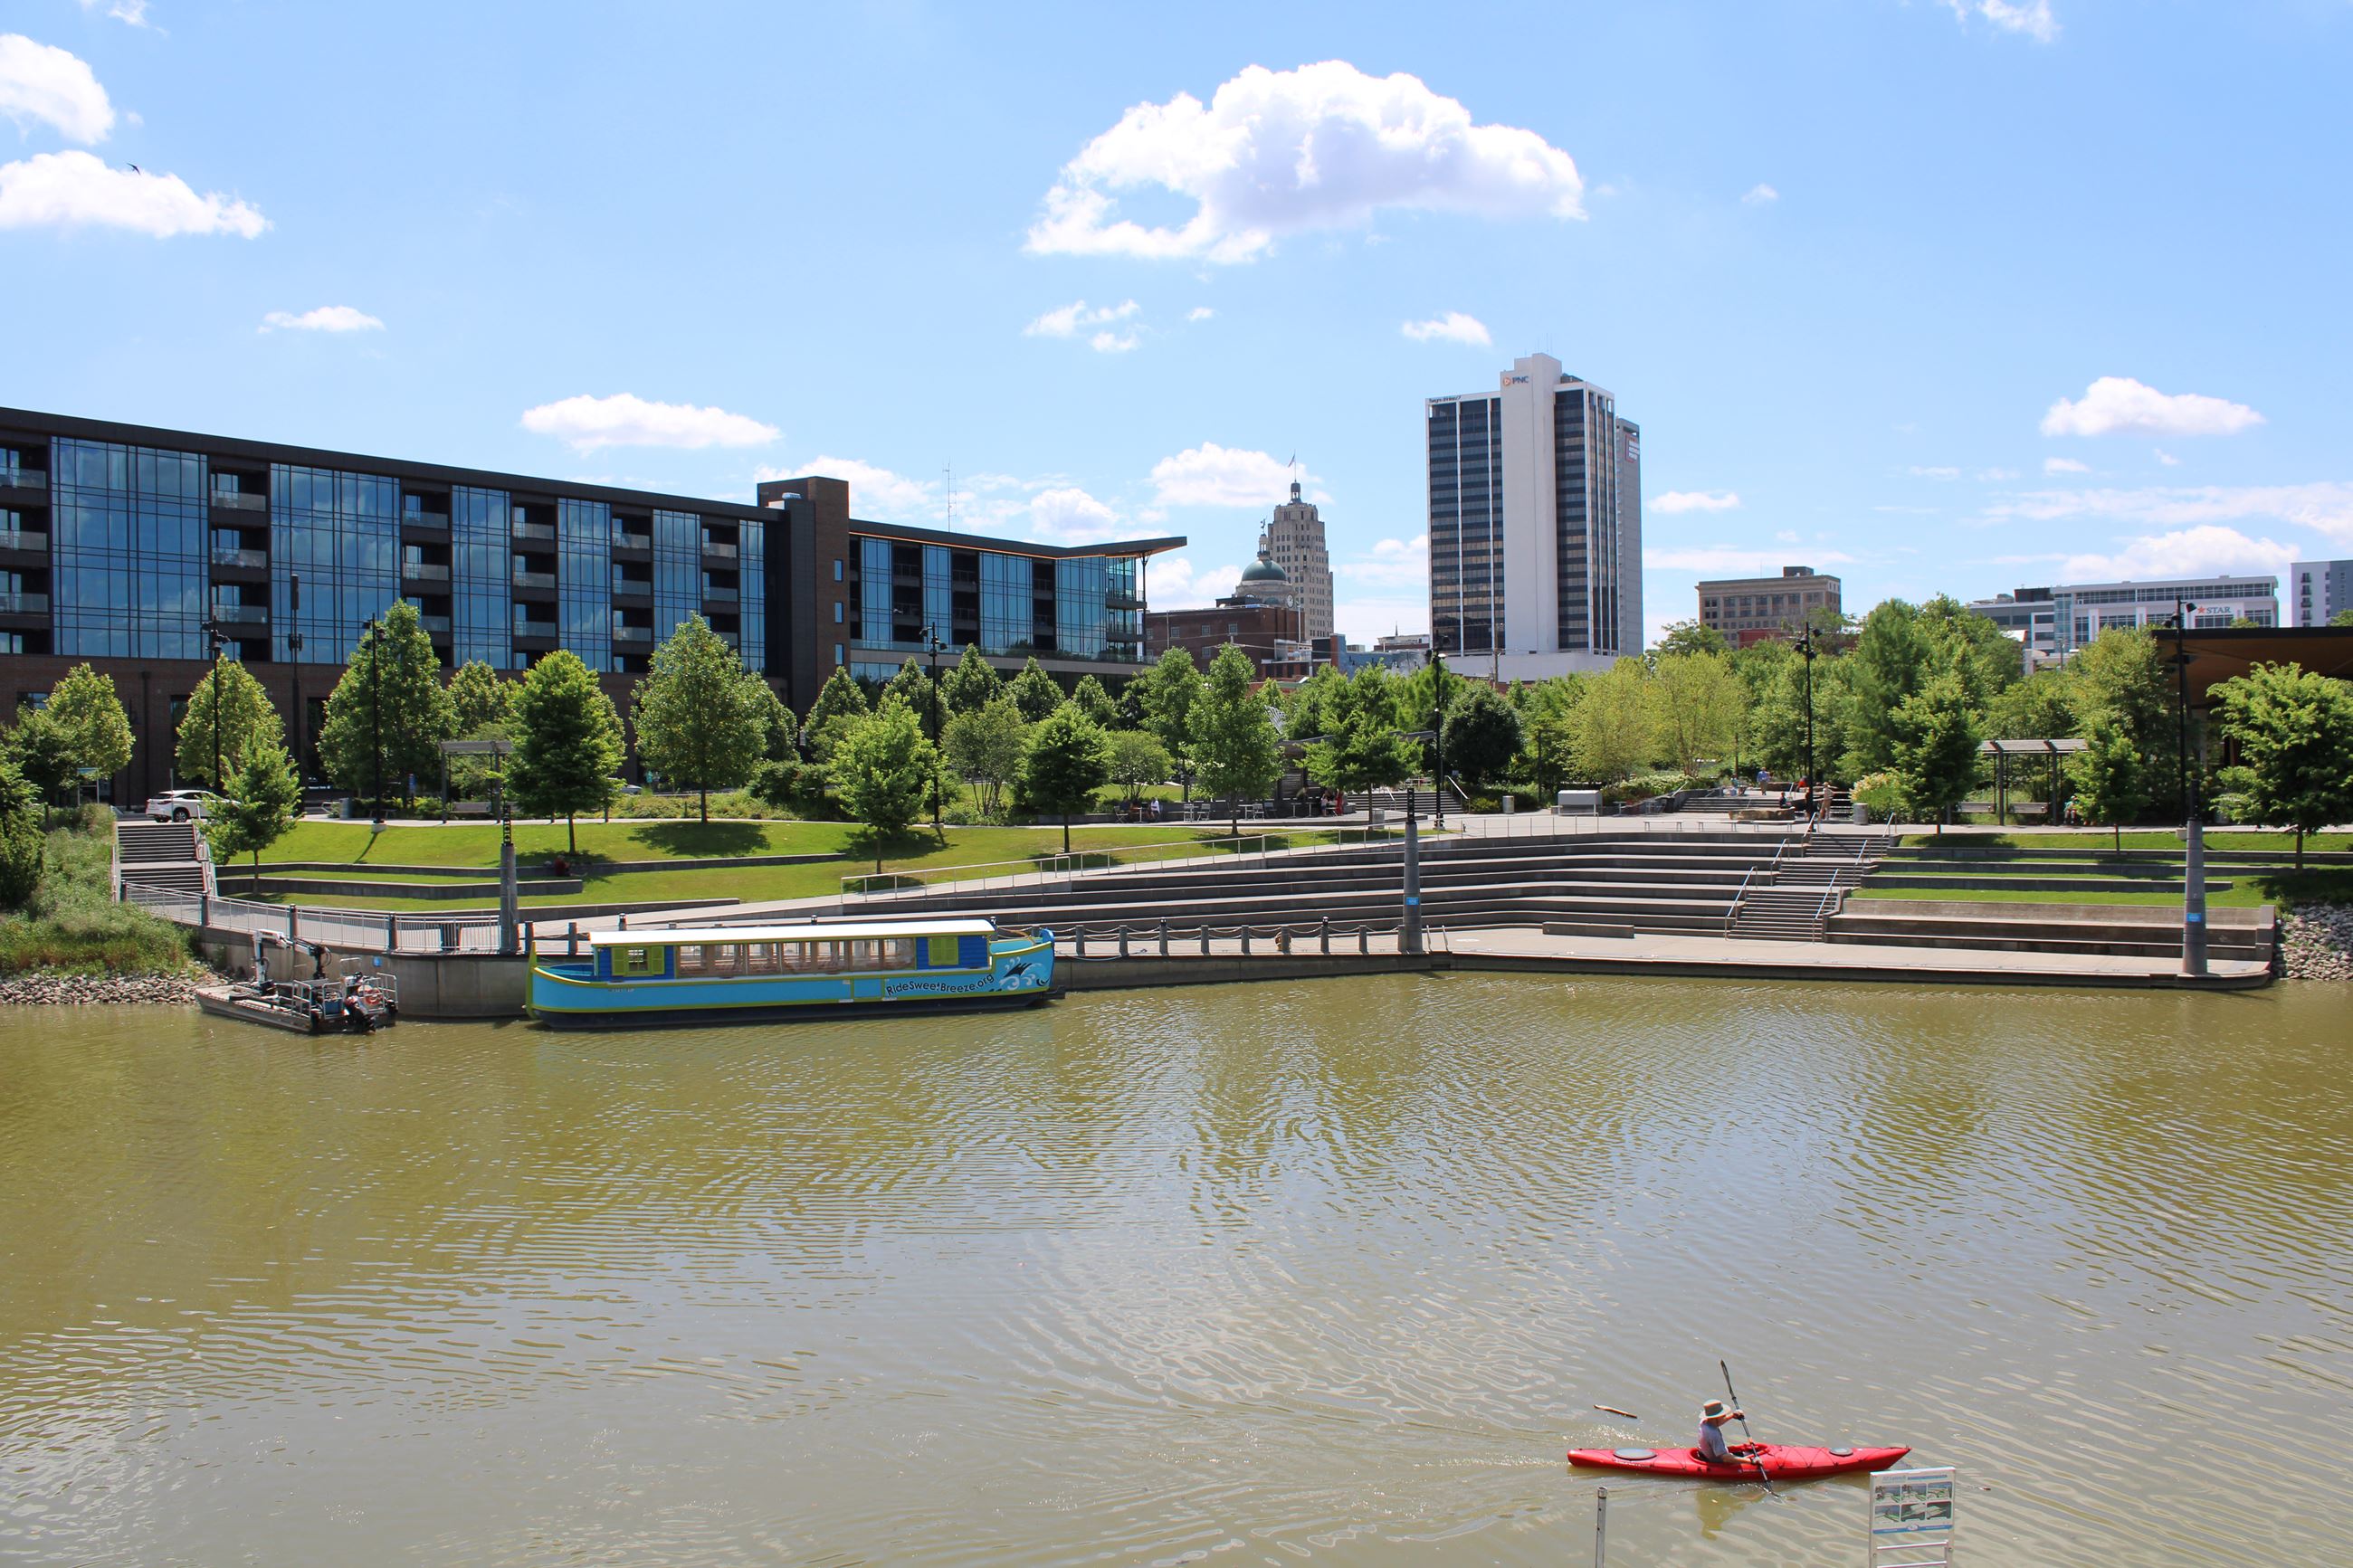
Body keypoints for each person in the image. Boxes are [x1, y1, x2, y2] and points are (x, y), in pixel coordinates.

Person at [1697, 1399, 1756, 1467]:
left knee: (1747, 1452)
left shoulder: (1704, 1422)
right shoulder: (1713, 1434)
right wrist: (1751, 1461)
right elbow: (1725, 1458)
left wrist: (1732, 1415)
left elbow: (1716, 1422)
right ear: (1716, 1417)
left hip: (1704, 1455)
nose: (1725, 1415)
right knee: (1749, 1455)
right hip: (1716, 1461)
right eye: (1723, 1414)